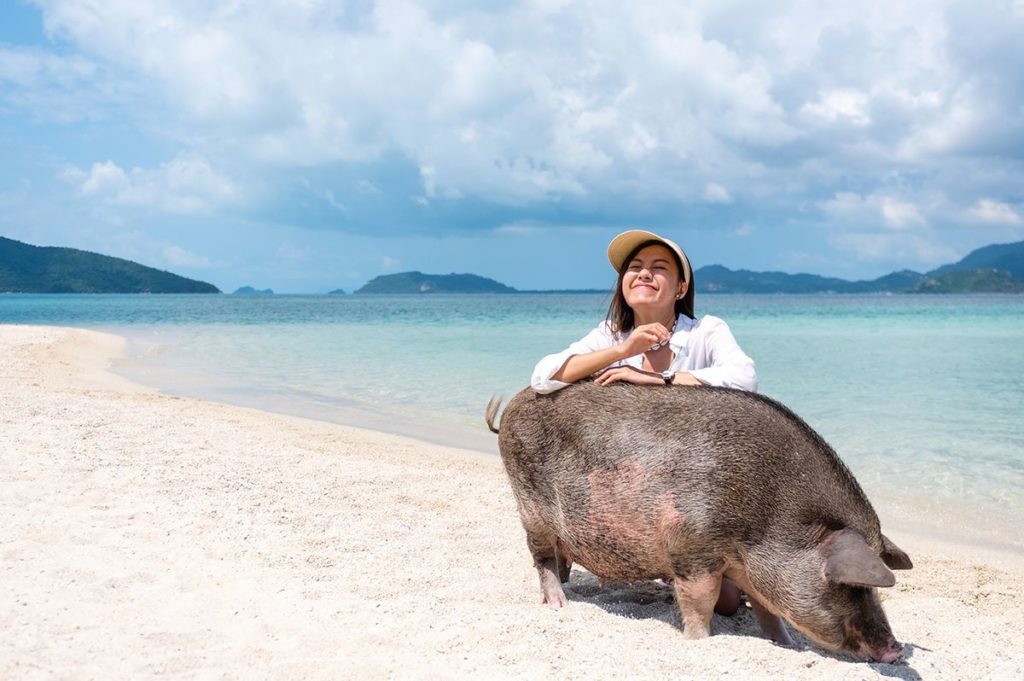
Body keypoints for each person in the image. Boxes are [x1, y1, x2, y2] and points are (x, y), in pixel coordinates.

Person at [530, 228, 757, 614]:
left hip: (691, 485)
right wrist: (623, 349)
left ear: (682, 288)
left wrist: (661, 379)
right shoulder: (610, 335)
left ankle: (675, 564)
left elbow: (744, 378)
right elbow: (543, 376)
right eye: (634, 267)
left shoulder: (706, 331)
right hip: (627, 485)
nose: (644, 274)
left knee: (729, 605)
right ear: (622, 285)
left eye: (659, 267)